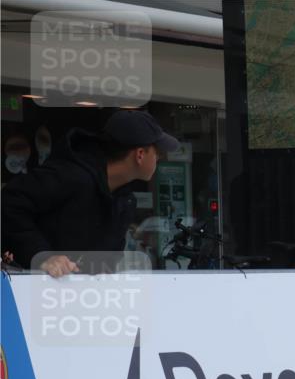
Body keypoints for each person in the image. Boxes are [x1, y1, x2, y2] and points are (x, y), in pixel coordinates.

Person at [1, 110, 178, 277]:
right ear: (140, 154)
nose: (159, 159)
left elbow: (107, 265)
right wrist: (42, 255)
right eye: (157, 153)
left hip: (83, 301)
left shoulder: (125, 201)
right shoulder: (70, 176)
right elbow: (9, 204)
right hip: (27, 294)